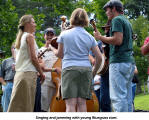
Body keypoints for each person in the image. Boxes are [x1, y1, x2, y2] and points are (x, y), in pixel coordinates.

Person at [50, 8, 102, 112]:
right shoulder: (90, 37)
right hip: (86, 70)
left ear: (73, 18)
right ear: (85, 20)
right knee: (82, 104)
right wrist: (94, 72)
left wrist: (52, 49)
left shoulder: (64, 34)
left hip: (69, 69)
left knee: (70, 105)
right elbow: (99, 58)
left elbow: (60, 55)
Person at [94, 0, 135, 112]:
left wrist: (100, 37)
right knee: (127, 98)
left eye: (107, 9)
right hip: (129, 62)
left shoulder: (116, 20)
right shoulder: (127, 21)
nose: (106, 12)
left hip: (118, 62)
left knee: (118, 98)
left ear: (114, 8)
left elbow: (117, 40)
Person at [7, 14, 45, 112]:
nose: (35, 25)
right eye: (33, 22)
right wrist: (41, 73)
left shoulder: (20, 38)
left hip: (19, 75)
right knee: (27, 108)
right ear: (27, 24)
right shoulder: (29, 36)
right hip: (28, 75)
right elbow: (33, 58)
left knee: (16, 107)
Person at [39, 28, 60, 112]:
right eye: (48, 34)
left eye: (52, 35)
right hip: (46, 83)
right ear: (44, 36)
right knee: (44, 108)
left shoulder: (57, 51)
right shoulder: (40, 50)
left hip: (58, 83)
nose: (49, 36)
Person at [0, 44, 15, 112]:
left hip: (20, 85)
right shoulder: (5, 61)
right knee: (7, 108)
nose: (15, 50)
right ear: (11, 49)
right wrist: (4, 85)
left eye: (17, 48)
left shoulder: (23, 61)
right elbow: (1, 76)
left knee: (18, 107)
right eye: (14, 48)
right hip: (8, 84)